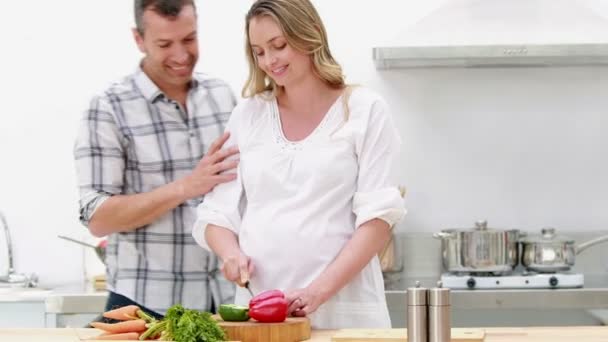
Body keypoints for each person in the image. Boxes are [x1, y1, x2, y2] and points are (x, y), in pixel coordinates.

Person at [191, 0, 406, 329]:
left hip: (344, 309)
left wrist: (317, 291)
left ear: (310, 36)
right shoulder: (248, 116)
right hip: (264, 311)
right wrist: (230, 253)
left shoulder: (365, 110)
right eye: (259, 51)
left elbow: (378, 220)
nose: (269, 61)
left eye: (279, 45)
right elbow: (216, 214)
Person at [74, 0, 238, 319]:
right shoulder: (108, 108)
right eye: (164, 44)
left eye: (189, 39)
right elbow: (97, 218)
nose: (180, 55)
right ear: (139, 39)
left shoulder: (222, 96)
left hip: (222, 303)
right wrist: (186, 187)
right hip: (144, 307)